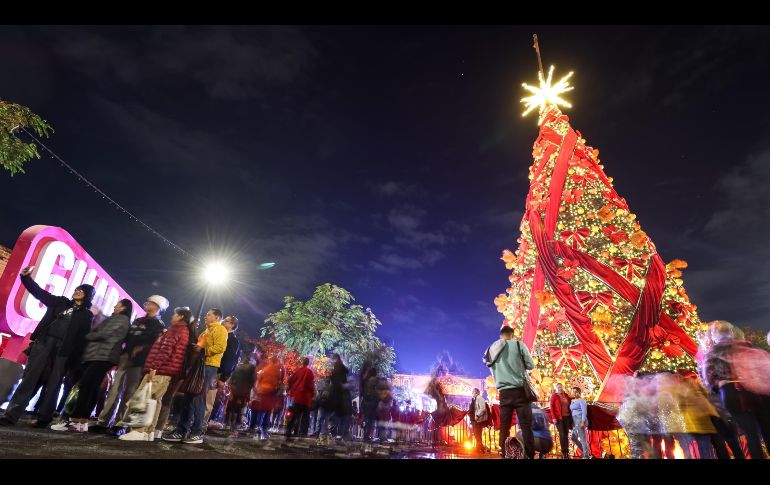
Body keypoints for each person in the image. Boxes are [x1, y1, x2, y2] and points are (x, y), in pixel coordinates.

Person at [0, 266, 94, 428]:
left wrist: (74, 362)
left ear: (87, 296)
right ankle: (11, 415)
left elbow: (81, 340)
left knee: (54, 383)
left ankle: (44, 418)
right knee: (29, 378)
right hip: (44, 342)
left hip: (64, 350)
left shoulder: (86, 315)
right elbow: (39, 293)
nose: (77, 291)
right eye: (77, 289)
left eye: (82, 290)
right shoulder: (60, 301)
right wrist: (26, 277)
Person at [90, 295, 167, 434]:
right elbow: (128, 337)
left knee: (130, 393)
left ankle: (120, 424)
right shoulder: (137, 320)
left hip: (139, 362)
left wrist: (141, 348)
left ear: (157, 307)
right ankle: (103, 422)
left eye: (150, 303)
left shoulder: (158, 325)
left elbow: (154, 343)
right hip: (126, 358)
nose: (147, 304)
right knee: (114, 390)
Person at [53, 299, 132, 432]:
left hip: (102, 356)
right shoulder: (119, 319)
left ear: (123, 308)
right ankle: (81, 422)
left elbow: (104, 334)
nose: (114, 305)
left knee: (86, 386)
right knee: (91, 387)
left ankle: (75, 421)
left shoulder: (120, 319)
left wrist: (89, 335)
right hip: (101, 356)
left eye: (117, 304)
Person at [118, 306, 192, 441]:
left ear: (180, 316)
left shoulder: (175, 330)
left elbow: (165, 351)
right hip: (167, 372)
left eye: (175, 315)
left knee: (145, 398)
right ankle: (149, 431)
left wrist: (154, 368)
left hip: (159, 370)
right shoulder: (184, 331)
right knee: (155, 401)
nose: (172, 317)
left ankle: (139, 431)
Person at [704, 321, 769, 459]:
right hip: (757, 391)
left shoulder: (712, 353)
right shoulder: (746, 345)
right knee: (767, 429)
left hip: (730, 392)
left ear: (715, 336)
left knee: (751, 434)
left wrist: (717, 385)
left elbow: (708, 378)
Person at [162, 308, 227, 444]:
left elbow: (220, 347)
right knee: (189, 396)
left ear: (217, 317)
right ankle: (181, 430)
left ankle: (196, 433)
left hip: (208, 366)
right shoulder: (206, 330)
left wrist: (203, 349)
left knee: (198, 397)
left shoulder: (220, 329)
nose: (205, 317)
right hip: (198, 366)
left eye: (209, 315)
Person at [483, 325, 535, 459]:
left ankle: (504, 454)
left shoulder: (492, 349)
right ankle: (529, 455)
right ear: (512, 335)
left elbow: (486, 362)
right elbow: (531, 365)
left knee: (504, 426)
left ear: (501, 335)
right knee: (525, 426)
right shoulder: (519, 345)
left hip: (504, 393)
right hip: (520, 391)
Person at [205, 315, 241, 427]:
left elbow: (230, 360)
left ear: (232, 325)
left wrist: (223, 377)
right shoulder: (221, 335)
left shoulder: (233, 341)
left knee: (209, 399)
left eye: (226, 321)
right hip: (212, 368)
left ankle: (202, 424)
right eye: (224, 320)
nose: (223, 322)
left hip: (218, 372)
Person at [251, 356, 281, 440]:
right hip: (271, 393)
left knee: (261, 411)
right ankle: (264, 430)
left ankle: (257, 427)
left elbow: (259, 379)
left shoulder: (265, 369)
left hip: (263, 392)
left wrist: (258, 390)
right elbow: (279, 382)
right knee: (268, 412)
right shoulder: (277, 371)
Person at [285, 357, 315, 440]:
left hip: (297, 396)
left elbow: (290, 379)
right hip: (305, 398)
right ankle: (302, 432)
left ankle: (288, 431)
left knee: (294, 415)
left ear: (303, 362)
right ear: (308, 363)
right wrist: (312, 394)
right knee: (305, 416)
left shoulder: (298, 371)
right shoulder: (309, 372)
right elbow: (311, 385)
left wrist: (291, 388)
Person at [549, 382, 573, 458]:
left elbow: (571, 402)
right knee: (562, 434)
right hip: (559, 418)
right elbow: (551, 407)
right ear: (556, 388)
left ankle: (567, 452)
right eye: (558, 387)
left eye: (561, 387)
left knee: (566, 434)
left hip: (567, 417)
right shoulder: (554, 396)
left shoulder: (566, 395)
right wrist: (554, 418)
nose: (560, 388)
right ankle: (564, 452)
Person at [569, 387, 590, 458]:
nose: (574, 393)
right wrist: (573, 422)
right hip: (575, 420)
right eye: (573, 391)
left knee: (582, 438)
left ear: (579, 392)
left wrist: (582, 421)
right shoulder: (572, 401)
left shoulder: (582, 400)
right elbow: (572, 411)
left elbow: (584, 411)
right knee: (573, 437)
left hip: (580, 419)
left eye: (575, 391)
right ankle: (585, 452)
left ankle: (586, 455)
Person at [468, 388, 489, 453]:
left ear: (476, 393)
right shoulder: (475, 399)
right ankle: (480, 448)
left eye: (473, 392)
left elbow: (483, 408)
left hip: (478, 420)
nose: (472, 393)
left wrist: (477, 415)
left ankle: (479, 448)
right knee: (477, 434)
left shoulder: (480, 399)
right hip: (475, 419)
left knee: (477, 434)